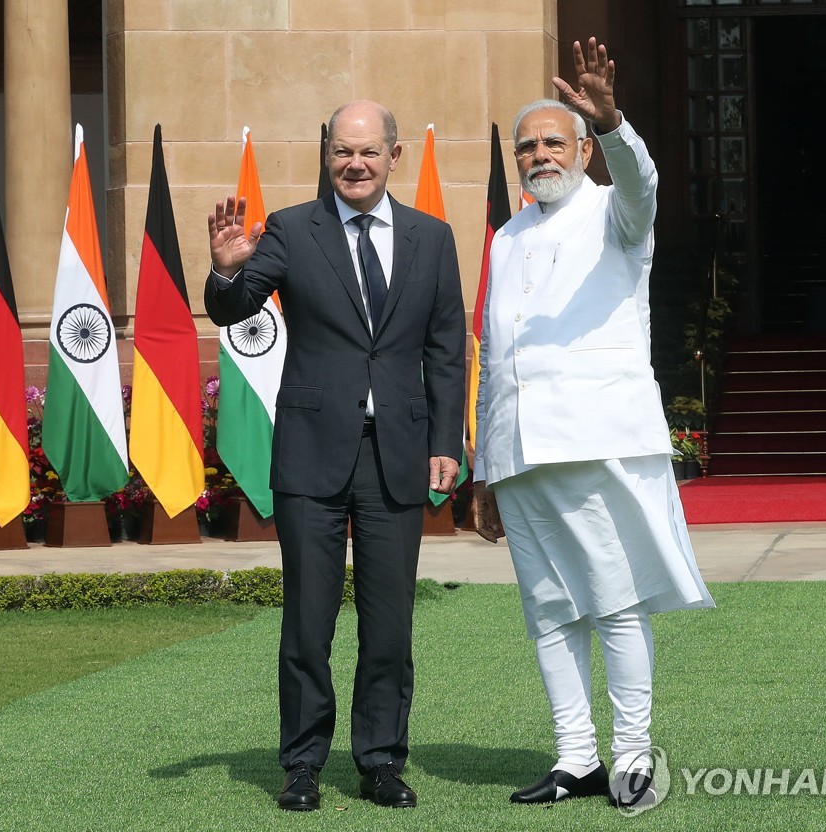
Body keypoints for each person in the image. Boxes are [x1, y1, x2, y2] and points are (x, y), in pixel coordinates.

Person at [473, 38, 715, 810]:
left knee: (615, 603)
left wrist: (615, 125)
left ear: (581, 149)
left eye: (555, 141)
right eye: (527, 146)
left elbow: (643, 183)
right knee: (548, 612)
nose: (540, 154)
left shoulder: (615, 213)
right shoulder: (506, 239)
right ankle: (575, 757)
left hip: (596, 439)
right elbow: (495, 356)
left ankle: (633, 757)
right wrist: (485, 469)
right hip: (519, 453)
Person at [205, 100, 466, 812]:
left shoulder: (432, 237)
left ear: (394, 155)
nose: (355, 165)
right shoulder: (292, 229)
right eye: (342, 153)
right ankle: (302, 766)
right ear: (326, 155)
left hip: (397, 457)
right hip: (313, 456)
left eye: (369, 153)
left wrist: (448, 440)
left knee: (389, 624)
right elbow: (236, 308)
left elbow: (447, 349)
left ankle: (380, 760)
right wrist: (228, 274)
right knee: (308, 622)